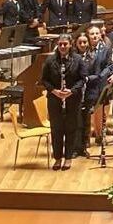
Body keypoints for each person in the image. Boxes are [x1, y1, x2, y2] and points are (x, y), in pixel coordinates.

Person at [41, 34, 85, 171]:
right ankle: (58, 158)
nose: (62, 47)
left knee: (71, 128)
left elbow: (83, 79)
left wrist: (71, 91)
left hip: (72, 99)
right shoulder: (50, 60)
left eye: (65, 44)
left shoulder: (78, 60)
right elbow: (44, 80)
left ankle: (68, 158)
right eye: (60, 44)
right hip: (55, 99)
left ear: (70, 44)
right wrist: (54, 91)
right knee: (56, 129)